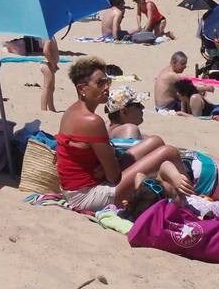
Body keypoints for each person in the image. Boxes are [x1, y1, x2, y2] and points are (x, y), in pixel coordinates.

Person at [54, 57, 187, 211]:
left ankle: (183, 189)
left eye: (107, 82)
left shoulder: (72, 111)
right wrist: (108, 164)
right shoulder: (91, 121)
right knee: (168, 152)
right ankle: (190, 199)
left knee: (155, 141)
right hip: (86, 195)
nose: (106, 88)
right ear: (82, 89)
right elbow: (113, 175)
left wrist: (106, 164)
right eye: (100, 83)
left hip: (79, 186)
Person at [154, 52, 217, 117]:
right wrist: (207, 88)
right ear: (174, 63)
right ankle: (203, 113)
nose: (185, 67)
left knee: (183, 94)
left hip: (160, 106)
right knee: (192, 95)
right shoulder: (172, 76)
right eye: (182, 64)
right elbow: (190, 88)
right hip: (168, 107)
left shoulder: (166, 71)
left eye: (185, 64)